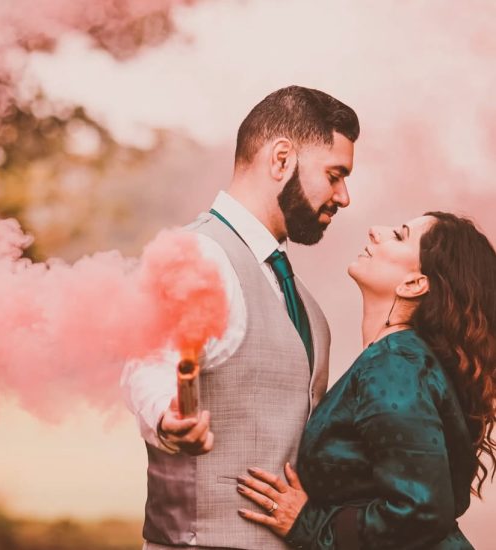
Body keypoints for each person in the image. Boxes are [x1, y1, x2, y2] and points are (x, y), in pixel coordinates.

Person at [121, 85, 360, 549]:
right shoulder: (197, 253)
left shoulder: (301, 298)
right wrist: (170, 419)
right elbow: (146, 367)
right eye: (334, 175)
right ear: (282, 159)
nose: (344, 196)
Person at [236, 212, 496, 549]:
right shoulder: (403, 361)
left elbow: (422, 510)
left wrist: (311, 527)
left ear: (414, 284)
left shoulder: (395, 365)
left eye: (399, 234)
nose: (375, 231)